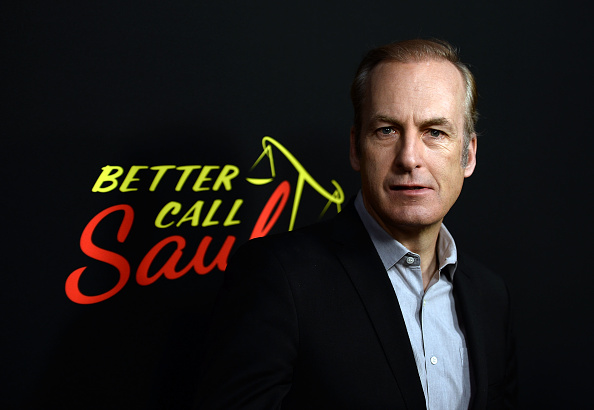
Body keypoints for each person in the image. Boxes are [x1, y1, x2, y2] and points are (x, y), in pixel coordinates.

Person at [196, 39, 517, 409]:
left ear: (468, 155)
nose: (409, 157)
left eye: (435, 132)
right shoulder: (279, 277)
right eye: (387, 130)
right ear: (355, 148)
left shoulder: (491, 298)